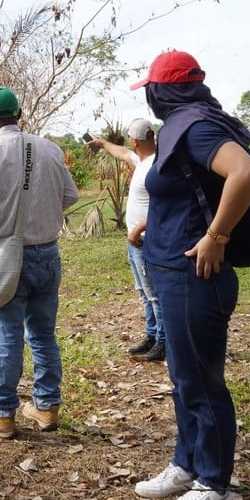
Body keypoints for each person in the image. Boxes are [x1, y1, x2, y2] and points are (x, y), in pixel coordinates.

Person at [130, 51, 250, 500]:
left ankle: (214, 485)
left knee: (202, 381)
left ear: (165, 90)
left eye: (152, 88)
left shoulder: (197, 125)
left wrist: (216, 235)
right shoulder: (183, 124)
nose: (149, 96)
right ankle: (186, 464)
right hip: (173, 273)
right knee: (185, 379)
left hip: (195, 276)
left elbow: (244, 172)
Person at [0, 86, 79, 439]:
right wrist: (40, 217)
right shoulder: (48, 148)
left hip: (8, 257)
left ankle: (1, 414)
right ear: (20, 115)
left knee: (8, 337)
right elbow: (71, 195)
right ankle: (46, 407)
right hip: (48, 253)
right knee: (43, 334)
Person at [89, 119, 166, 362]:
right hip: (135, 240)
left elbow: (163, 205)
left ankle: (163, 342)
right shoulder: (143, 160)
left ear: (135, 140)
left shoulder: (157, 166)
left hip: (144, 239)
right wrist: (102, 143)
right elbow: (121, 153)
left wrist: (139, 229)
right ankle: (152, 335)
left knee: (153, 294)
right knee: (144, 292)